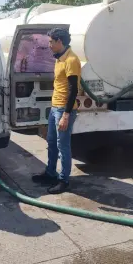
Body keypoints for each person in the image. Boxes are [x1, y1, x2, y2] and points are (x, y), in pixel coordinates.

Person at [32, 28, 81, 194]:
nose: (49, 45)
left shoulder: (71, 60)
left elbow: (74, 90)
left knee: (63, 146)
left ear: (60, 41)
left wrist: (66, 115)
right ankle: (50, 173)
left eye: (51, 42)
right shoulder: (59, 58)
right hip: (55, 108)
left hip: (64, 110)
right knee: (52, 142)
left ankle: (63, 180)